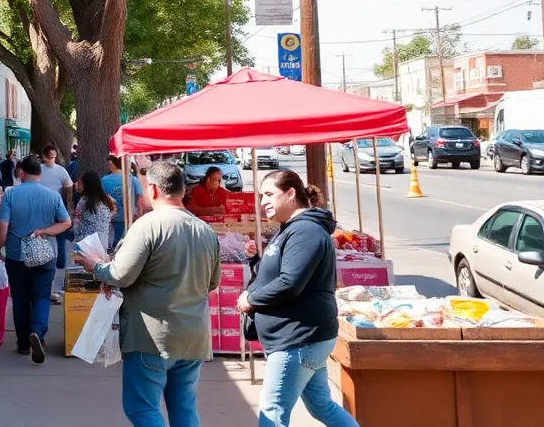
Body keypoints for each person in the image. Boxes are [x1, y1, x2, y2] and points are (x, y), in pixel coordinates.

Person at [77, 162, 221, 427]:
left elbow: (121, 274)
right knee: (184, 408)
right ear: (183, 189)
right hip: (193, 335)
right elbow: (213, 282)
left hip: (151, 336)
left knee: (141, 408)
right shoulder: (205, 230)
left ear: (152, 189)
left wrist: (96, 266)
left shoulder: (148, 226)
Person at [236, 171, 357, 427]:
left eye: (269, 194)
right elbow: (282, 275)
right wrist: (256, 261)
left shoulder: (306, 231)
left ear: (291, 193)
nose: (263, 202)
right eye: (261, 195)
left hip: (297, 339)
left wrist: (251, 299)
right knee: (322, 407)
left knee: (273, 413)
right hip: (300, 338)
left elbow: (290, 283)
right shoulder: (291, 229)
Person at [0, 154, 70, 364]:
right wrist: (44, 230)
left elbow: (2, 227)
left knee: (20, 298)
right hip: (45, 254)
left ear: (22, 173)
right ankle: (37, 331)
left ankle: (23, 343)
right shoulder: (53, 196)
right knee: (41, 296)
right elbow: (66, 223)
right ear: (39, 173)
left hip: (16, 254)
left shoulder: (11, 195)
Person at [38, 145, 74, 303]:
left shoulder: (61, 171)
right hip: (41, 211)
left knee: (59, 242)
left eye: (54, 156)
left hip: (57, 211)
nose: (52, 159)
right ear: (44, 157)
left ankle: (58, 267)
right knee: (43, 239)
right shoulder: (39, 170)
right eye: (49, 157)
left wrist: (67, 205)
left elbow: (68, 187)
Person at [103, 155, 146, 247]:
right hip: (128, 217)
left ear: (112, 164)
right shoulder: (132, 179)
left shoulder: (104, 180)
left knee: (111, 244)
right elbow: (140, 200)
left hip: (109, 218)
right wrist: (139, 215)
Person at [72, 170, 115, 245]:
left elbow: (76, 221)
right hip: (103, 240)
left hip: (87, 242)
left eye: (80, 183)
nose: (77, 185)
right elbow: (112, 213)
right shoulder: (106, 200)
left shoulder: (84, 201)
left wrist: (76, 236)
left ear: (86, 184)